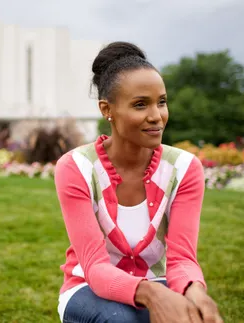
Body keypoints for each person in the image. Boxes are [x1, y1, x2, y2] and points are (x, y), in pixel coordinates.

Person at [54, 42, 223, 323]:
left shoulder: (184, 168)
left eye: (162, 101)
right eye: (140, 104)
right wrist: (153, 295)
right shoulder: (77, 168)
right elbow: (95, 267)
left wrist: (195, 292)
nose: (156, 116)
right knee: (122, 320)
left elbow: (182, 259)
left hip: (159, 281)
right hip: (87, 289)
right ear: (107, 109)